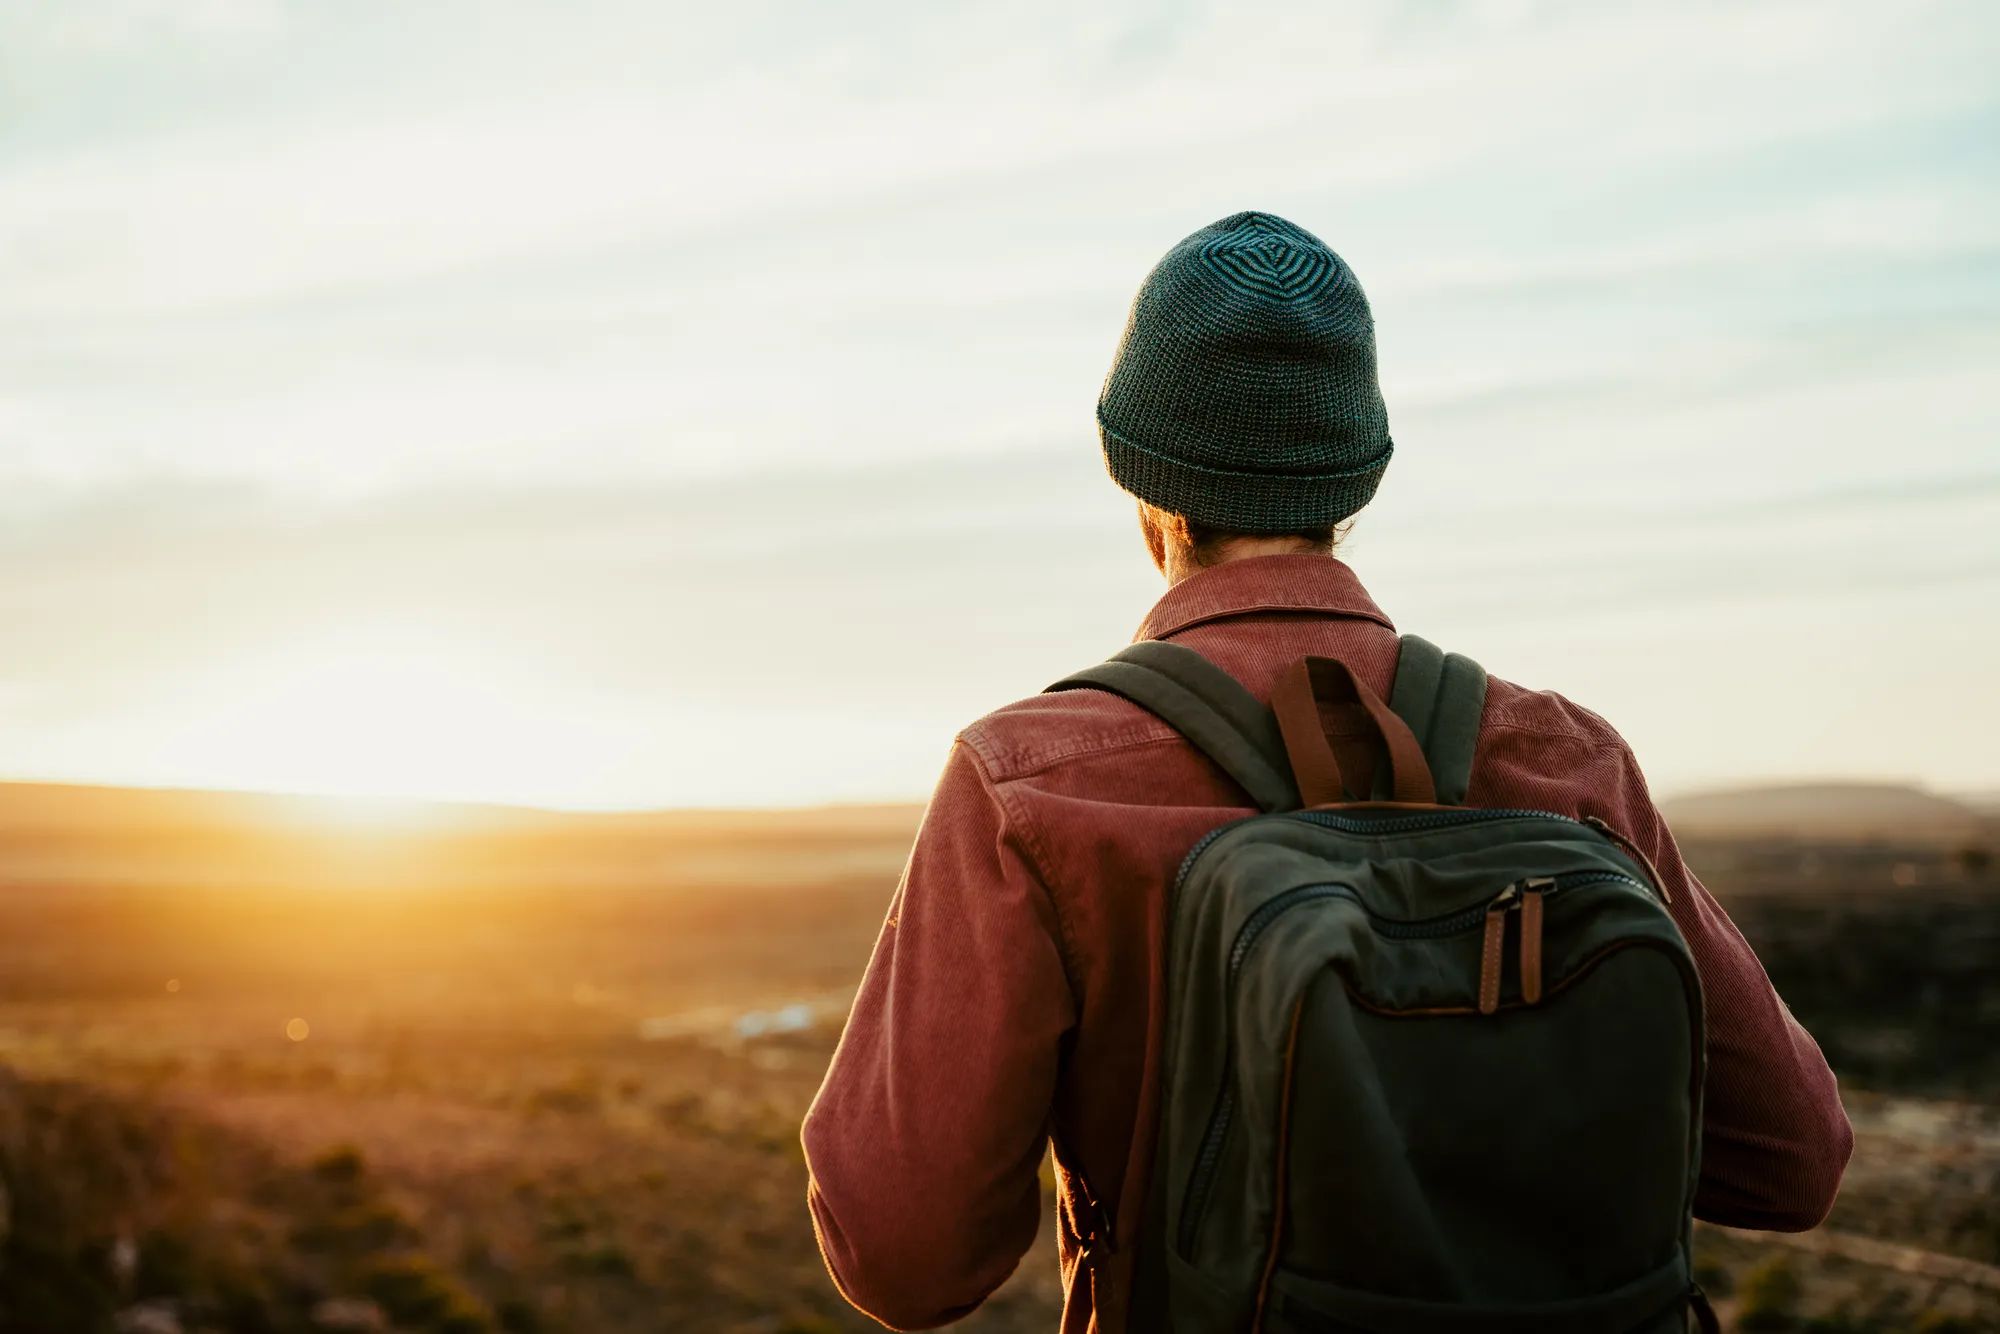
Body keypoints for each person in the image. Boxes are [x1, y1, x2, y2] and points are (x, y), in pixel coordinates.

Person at [801, 211, 1853, 1333]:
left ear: (1136, 477)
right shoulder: (1563, 757)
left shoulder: (1032, 784)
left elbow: (905, 1258)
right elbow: (1789, 1163)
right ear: (1360, 477)